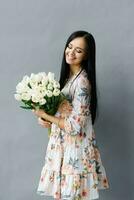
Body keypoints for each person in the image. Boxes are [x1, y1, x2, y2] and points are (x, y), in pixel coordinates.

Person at [32, 30, 109, 200]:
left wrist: (45, 114)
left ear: (87, 55)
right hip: (64, 151)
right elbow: (64, 115)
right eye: (70, 46)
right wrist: (46, 119)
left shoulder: (81, 83)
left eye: (78, 51)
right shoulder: (68, 79)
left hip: (75, 154)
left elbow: (74, 127)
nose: (71, 53)